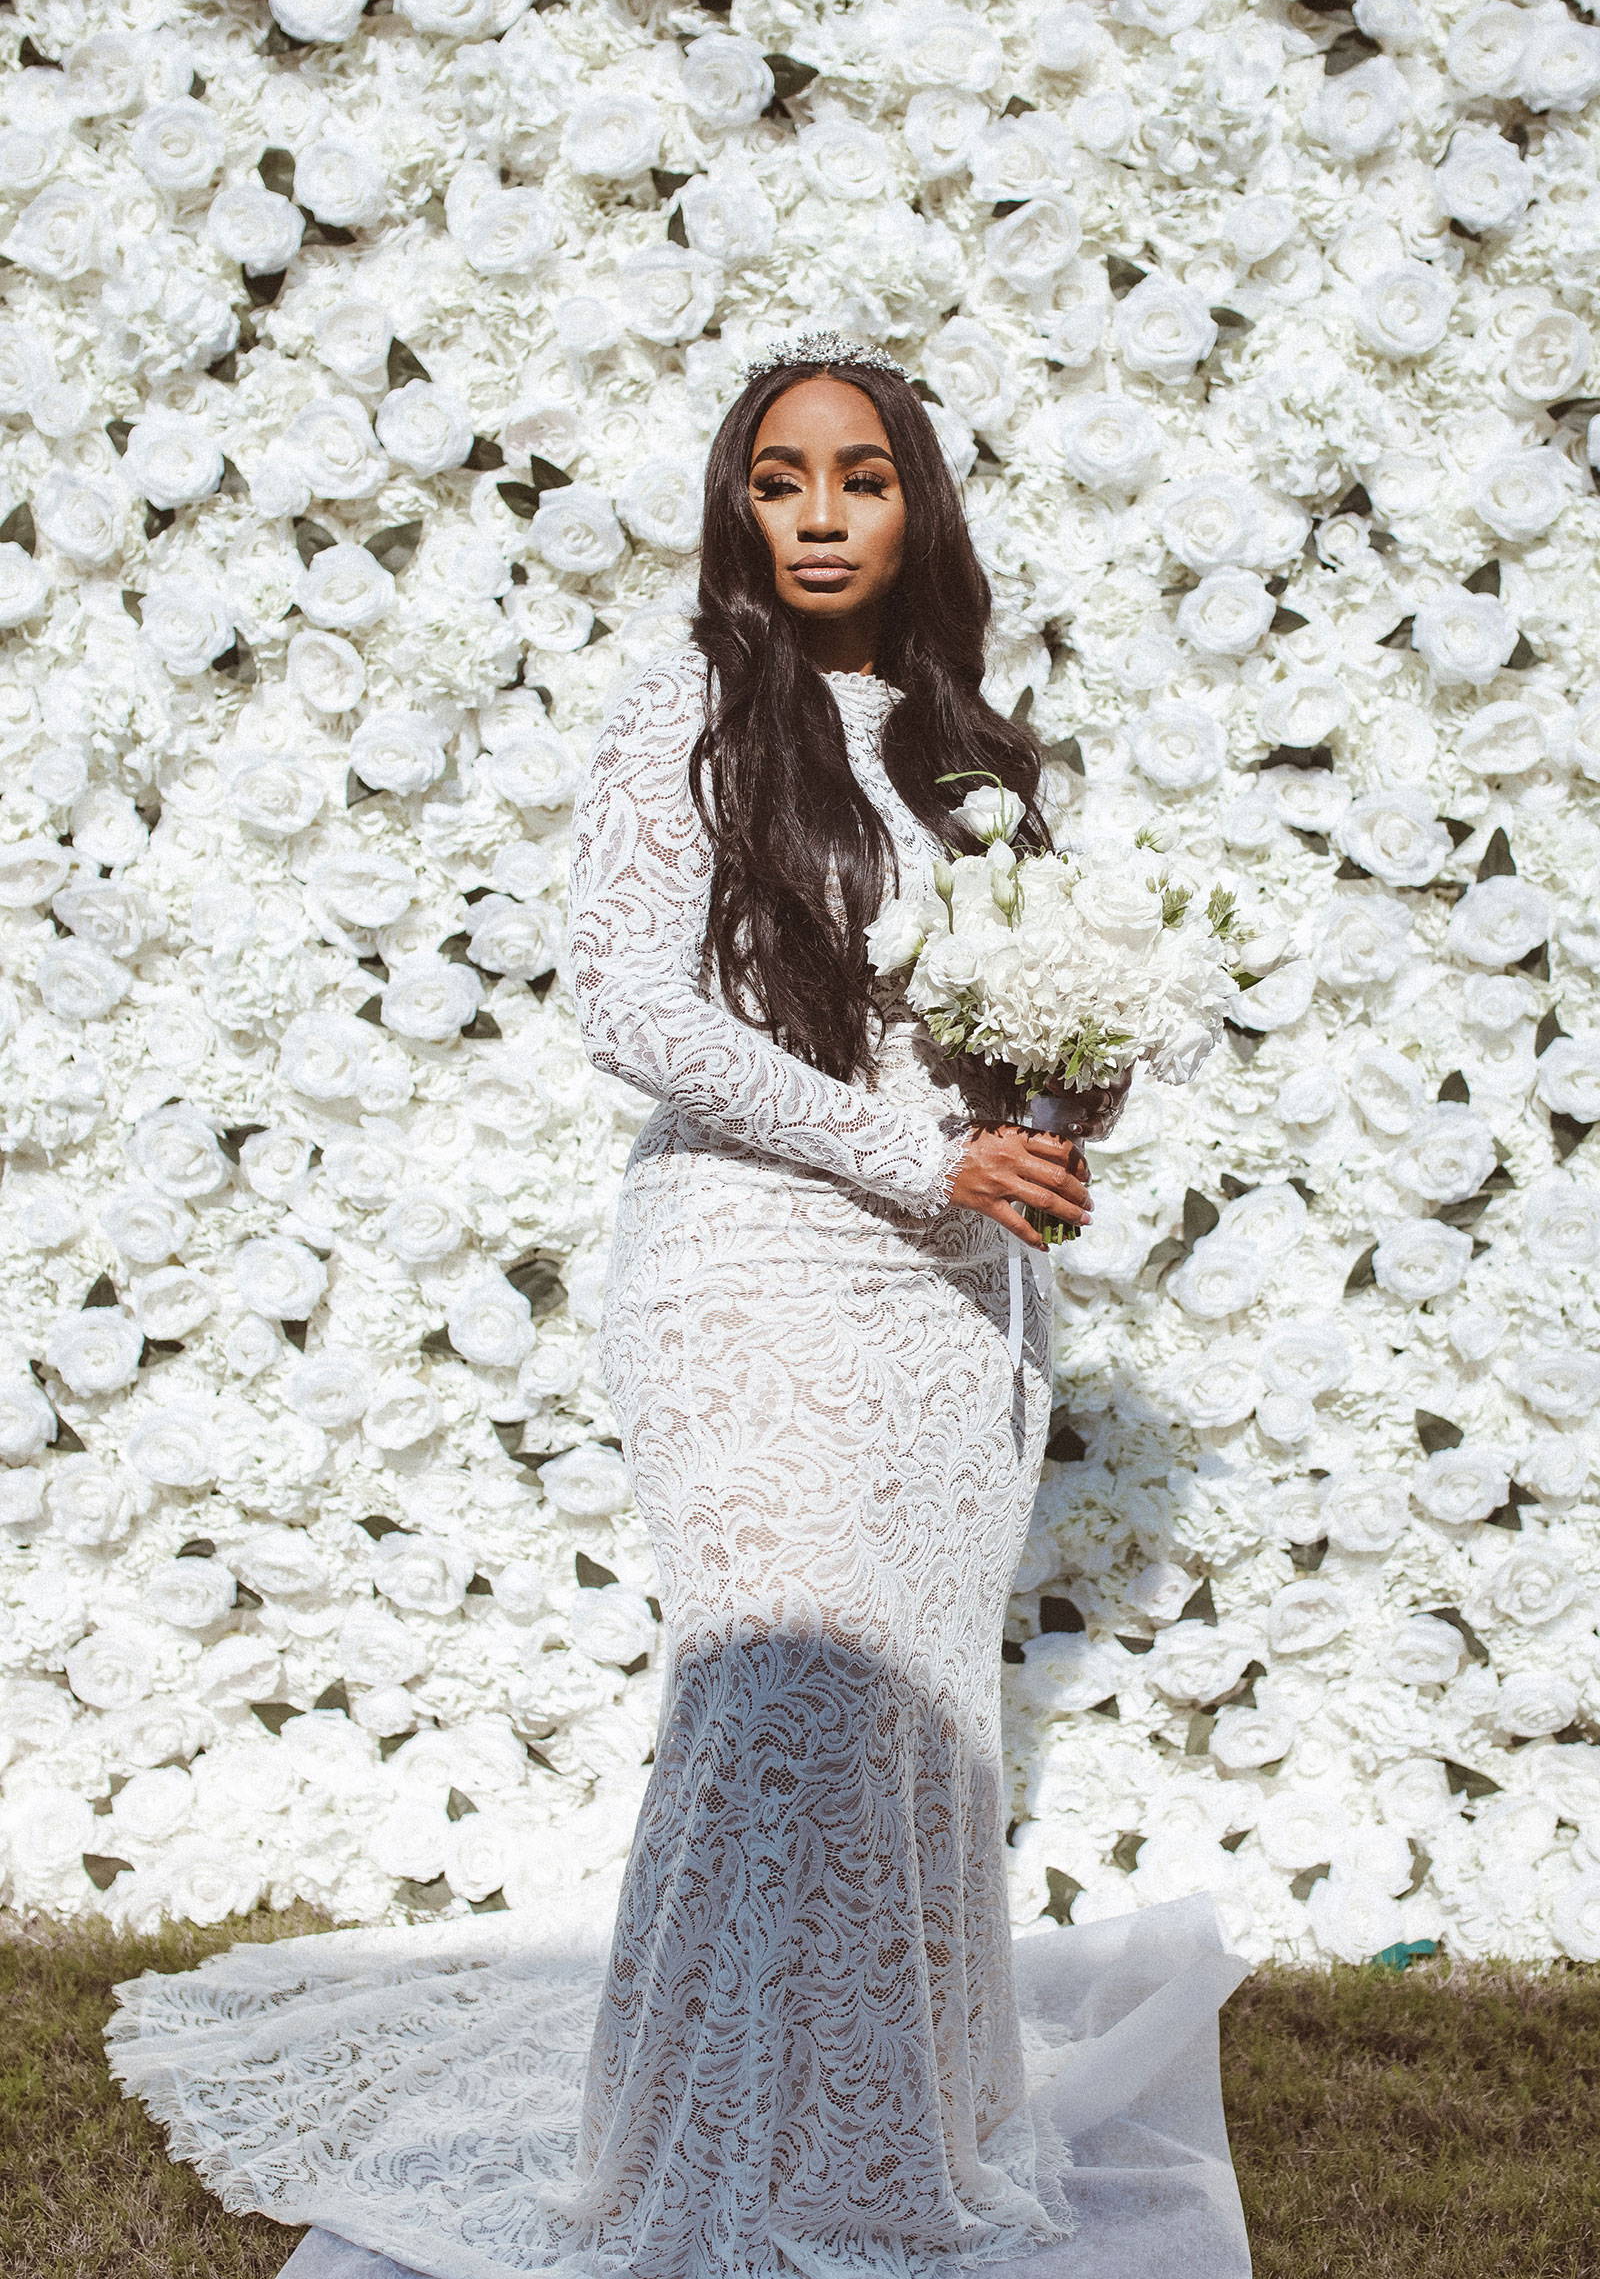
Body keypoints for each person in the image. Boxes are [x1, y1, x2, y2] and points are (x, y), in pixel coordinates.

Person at [105, 335, 1253, 2279]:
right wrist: (917, 1162)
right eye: (780, 478)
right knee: (776, 1694)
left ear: (916, 505)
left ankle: (874, 2150)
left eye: (859, 476)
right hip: (747, 1273)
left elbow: (1021, 1021)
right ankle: (694, 2171)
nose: (817, 514)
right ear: (737, 504)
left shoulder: (975, 751)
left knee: (908, 1738)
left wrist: (1064, 1109)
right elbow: (628, 1003)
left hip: (955, 1312)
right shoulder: (695, 714)